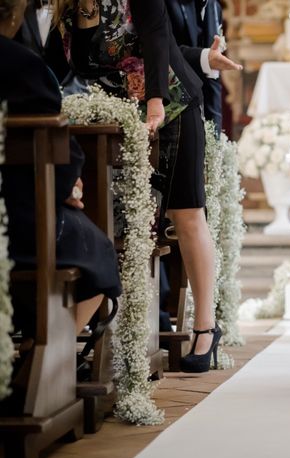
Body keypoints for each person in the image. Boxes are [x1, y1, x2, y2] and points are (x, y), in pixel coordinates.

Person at [53, 0, 241, 372]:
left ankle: (205, 328)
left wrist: (155, 103)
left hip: (169, 106)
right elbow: (69, 65)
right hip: (113, 118)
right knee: (117, 225)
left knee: (186, 212)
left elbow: (157, 34)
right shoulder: (65, 7)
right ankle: (76, 342)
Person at [0, 0, 121, 341]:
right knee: (98, 251)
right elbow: (61, 150)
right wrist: (69, 187)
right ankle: (54, 359)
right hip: (18, 223)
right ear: (12, 15)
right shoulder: (24, 67)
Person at [165, 0, 226, 134]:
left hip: (200, 103)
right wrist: (204, 57)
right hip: (170, 102)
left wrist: (215, 132)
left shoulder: (214, 6)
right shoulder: (165, 4)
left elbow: (213, 74)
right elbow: (164, 48)